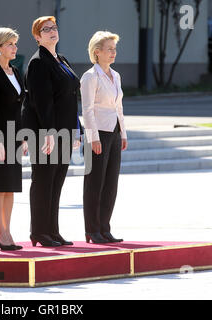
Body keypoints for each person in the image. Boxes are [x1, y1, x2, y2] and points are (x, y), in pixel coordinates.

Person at [21, 16, 82, 247]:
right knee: (43, 181)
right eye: (45, 30)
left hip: (64, 132)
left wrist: (77, 130)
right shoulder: (38, 62)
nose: (52, 32)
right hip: (45, 134)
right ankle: (39, 231)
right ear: (37, 37)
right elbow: (41, 101)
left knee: (56, 183)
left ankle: (52, 231)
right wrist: (48, 133)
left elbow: (69, 98)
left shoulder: (61, 59)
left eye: (54, 27)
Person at [80, 31, 127, 244]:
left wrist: (123, 133)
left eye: (114, 49)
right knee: (94, 183)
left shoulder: (115, 75)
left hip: (114, 132)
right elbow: (87, 109)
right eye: (109, 49)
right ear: (96, 52)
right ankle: (92, 230)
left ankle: (104, 228)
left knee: (110, 183)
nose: (113, 53)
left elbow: (119, 107)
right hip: (97, 134)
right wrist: (93, 138)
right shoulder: (90, 76)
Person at [0, 27, 26, 251]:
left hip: (15, 136)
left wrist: (23, 137)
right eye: (10, 44)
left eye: (15, 43)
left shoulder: (16, 71)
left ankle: (7, 231)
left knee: (11, 187)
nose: (14, 48)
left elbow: (20, 107)